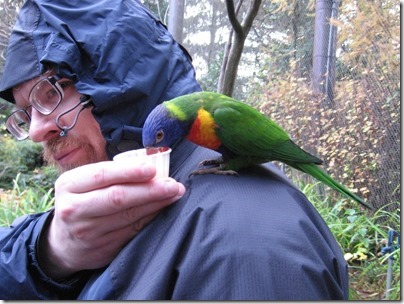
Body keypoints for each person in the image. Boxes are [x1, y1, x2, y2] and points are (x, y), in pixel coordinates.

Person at [0, 0, 349, 300]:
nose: (36, 131)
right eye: (25, 113)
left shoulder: (239, 247)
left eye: (53, 90)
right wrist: (50, 254)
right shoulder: (94, 215)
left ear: (121, 83)